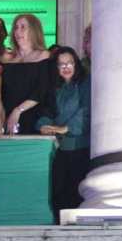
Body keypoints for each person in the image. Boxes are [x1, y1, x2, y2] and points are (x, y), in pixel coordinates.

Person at [36, 46, 91, 221]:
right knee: (58, 197)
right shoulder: (54, 88)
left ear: (76, 64)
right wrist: (44, 125)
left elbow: (87, 110)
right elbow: (46, 112)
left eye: (70, 63)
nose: (66, 67)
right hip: (60, 150)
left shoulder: (85, 83)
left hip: (81, 150)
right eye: (61, 64)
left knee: (77, 196)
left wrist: (66, 128)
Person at [0, 14, 53, 135]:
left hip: (33, 116)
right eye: (16, 27)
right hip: (7, 116)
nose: (18, 31)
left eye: (23, 27)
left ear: (34, 30)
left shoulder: (44, 55)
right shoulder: (6, 58)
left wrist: (18, 110)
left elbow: (41, 90)